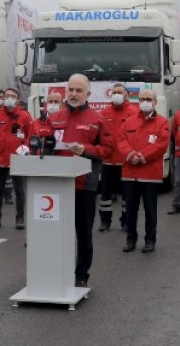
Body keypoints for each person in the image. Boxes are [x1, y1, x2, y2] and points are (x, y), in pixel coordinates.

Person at [46, 73, 113, 287]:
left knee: (83, 232)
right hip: (57, 184)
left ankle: (81, 274)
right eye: (71, 90)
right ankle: (57, 270)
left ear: (88, 94)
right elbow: (44, 146)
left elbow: (109, 150)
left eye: (79, 90)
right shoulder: (54, 118)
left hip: (84, 184)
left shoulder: (97, 119)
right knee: (56, 231)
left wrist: (86, 150)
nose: (74, 94)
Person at [118, 89, 170, 253]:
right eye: (142, 99)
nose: (145, 102)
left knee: (150, 211)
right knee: (131, 210)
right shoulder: (129, 121)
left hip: (150, 174)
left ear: (155, 102)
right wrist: (131, 154)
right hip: (130, 173)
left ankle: (150, 240)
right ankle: (130, 240)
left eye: (149, 99)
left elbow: (162, 144)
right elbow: (121, 140)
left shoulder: (162, 122)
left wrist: (142, 156)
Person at [0, 88, 32, 230]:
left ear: (18, 99)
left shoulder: (24, 116)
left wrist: (25, 149)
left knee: (19, 190)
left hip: (17, 158)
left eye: (12, 96)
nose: (9, 98)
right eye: (7, 96)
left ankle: (20, 217)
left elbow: (30, 136)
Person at [99, 83, 139, 232]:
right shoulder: (104, 113)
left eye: (119, 92)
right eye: (114, 92)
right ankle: (105, 220)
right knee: (105, 194)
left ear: (126, 95)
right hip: (108, 161)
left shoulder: (134, 112)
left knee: (127, 194)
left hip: (125, 161)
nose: (116, 94)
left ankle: (126, 221)